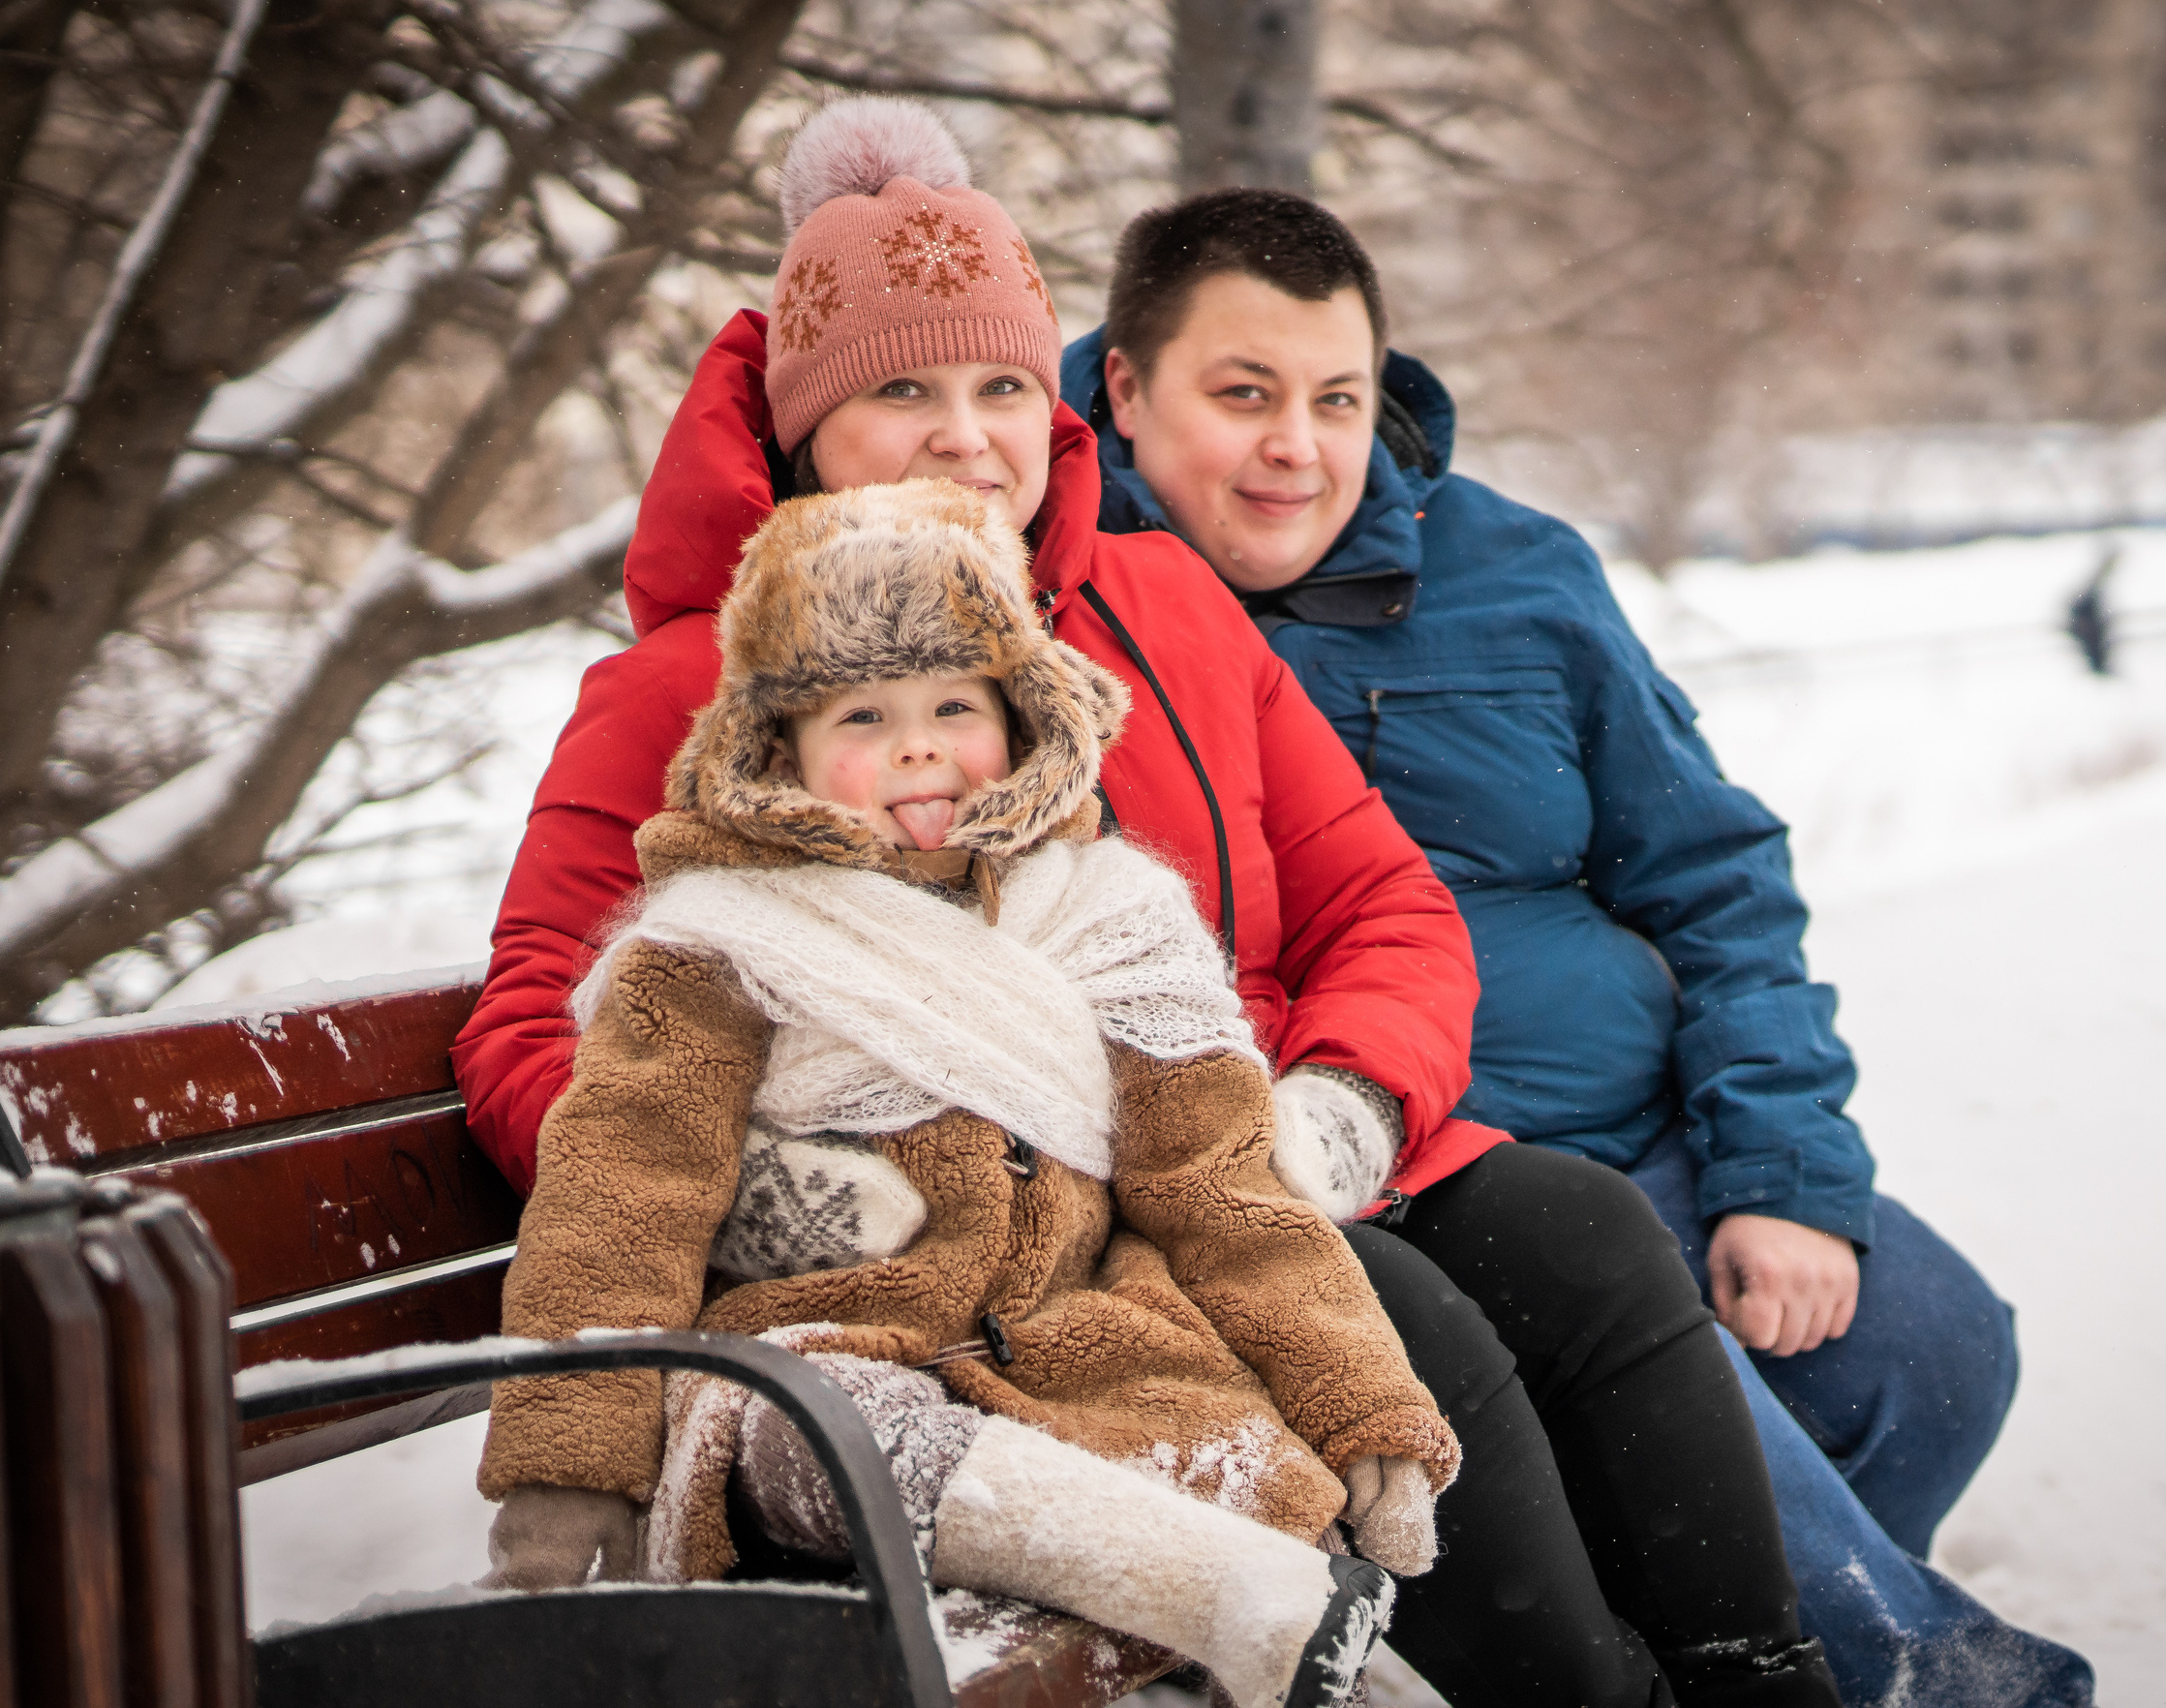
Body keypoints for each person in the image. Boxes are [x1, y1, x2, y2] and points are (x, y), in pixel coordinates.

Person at [453, 99, 1838, 1707]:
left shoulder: (1160, 600)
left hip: (1243, 1147)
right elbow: (530, 1009)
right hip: (1018, 1244)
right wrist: (763, 1193)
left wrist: (1344, 1107)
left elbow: (1385, 902)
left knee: (1581, 1233)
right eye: (900, 392)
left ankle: (1763, 1675)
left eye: (997, 387)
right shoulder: (689, 685)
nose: (965, 437)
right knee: (1397, 1323)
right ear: (805, 427)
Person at [1061, 187, 2097, 1706]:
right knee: (1724, 1454)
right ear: (1127, 388)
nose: (1298, 447)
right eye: (1243, 394)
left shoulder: (1519, 573)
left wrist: (1779, 1171)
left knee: (1930, 1351)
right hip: (1414, 1182)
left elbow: (1715, 876)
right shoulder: (1066, 602)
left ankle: (1677, 1632)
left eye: (1336, 398)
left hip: (1642, 1134)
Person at [474, 477, 1459, 1708]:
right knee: (817, 1422)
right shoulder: (715, 947)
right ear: (778, 749)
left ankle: (1297, 1634)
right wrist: (568, 1468)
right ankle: (1210, 1586)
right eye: (862, 715)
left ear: (1023, 716)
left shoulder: (1116, 921)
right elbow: (617, 1210)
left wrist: (1365, 1407)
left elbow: (1223, 1192)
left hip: (1086, 1355)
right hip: (835, 1359)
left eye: (954, 704)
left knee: (1234, 1444)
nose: (918, 745)